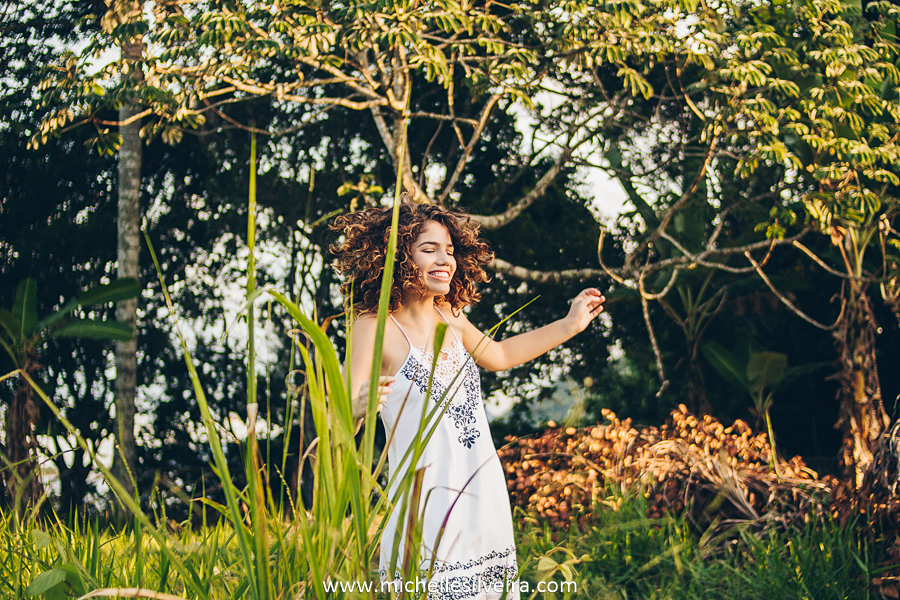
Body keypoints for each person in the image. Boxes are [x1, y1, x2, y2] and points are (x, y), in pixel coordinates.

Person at [331, 200, 604, 600]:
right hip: (425, 505)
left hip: (481, 489)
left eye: (450, 250)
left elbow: (502, 355)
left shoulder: (451, 317)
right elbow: (339, 420)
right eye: (429, 249)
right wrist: (357, 409)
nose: (446, 260)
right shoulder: (371, 328)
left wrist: (568, 325)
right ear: (395, 255)